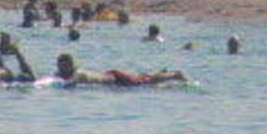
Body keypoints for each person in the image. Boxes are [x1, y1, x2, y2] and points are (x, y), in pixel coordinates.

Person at [54, 52, 185, 87]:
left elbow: (68, 84)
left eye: (63, 66)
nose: (60, 69)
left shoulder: (78, 74)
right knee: (142, 78)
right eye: (59, 66)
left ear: (70, 65)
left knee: (145, 82)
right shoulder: (64, 73)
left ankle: (174, 75)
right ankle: (160, 73)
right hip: (111, 79)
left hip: (116, 79)